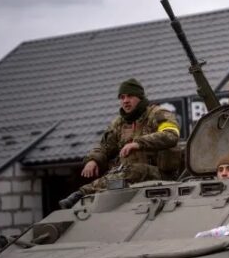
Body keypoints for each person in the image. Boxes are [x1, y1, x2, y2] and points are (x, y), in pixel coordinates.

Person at [59, 78, 180, 208]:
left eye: (130, 96)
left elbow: (171, 135)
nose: (125, 101)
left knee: (134, 170)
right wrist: (93, 160)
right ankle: (82, 194)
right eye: (122, 97)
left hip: (161, 174)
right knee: (117, 174)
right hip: (128, 175)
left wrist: (138, 143)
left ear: (140, 97)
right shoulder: (119, 123)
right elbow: (104, 146)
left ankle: (81, 193)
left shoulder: (158, 114)